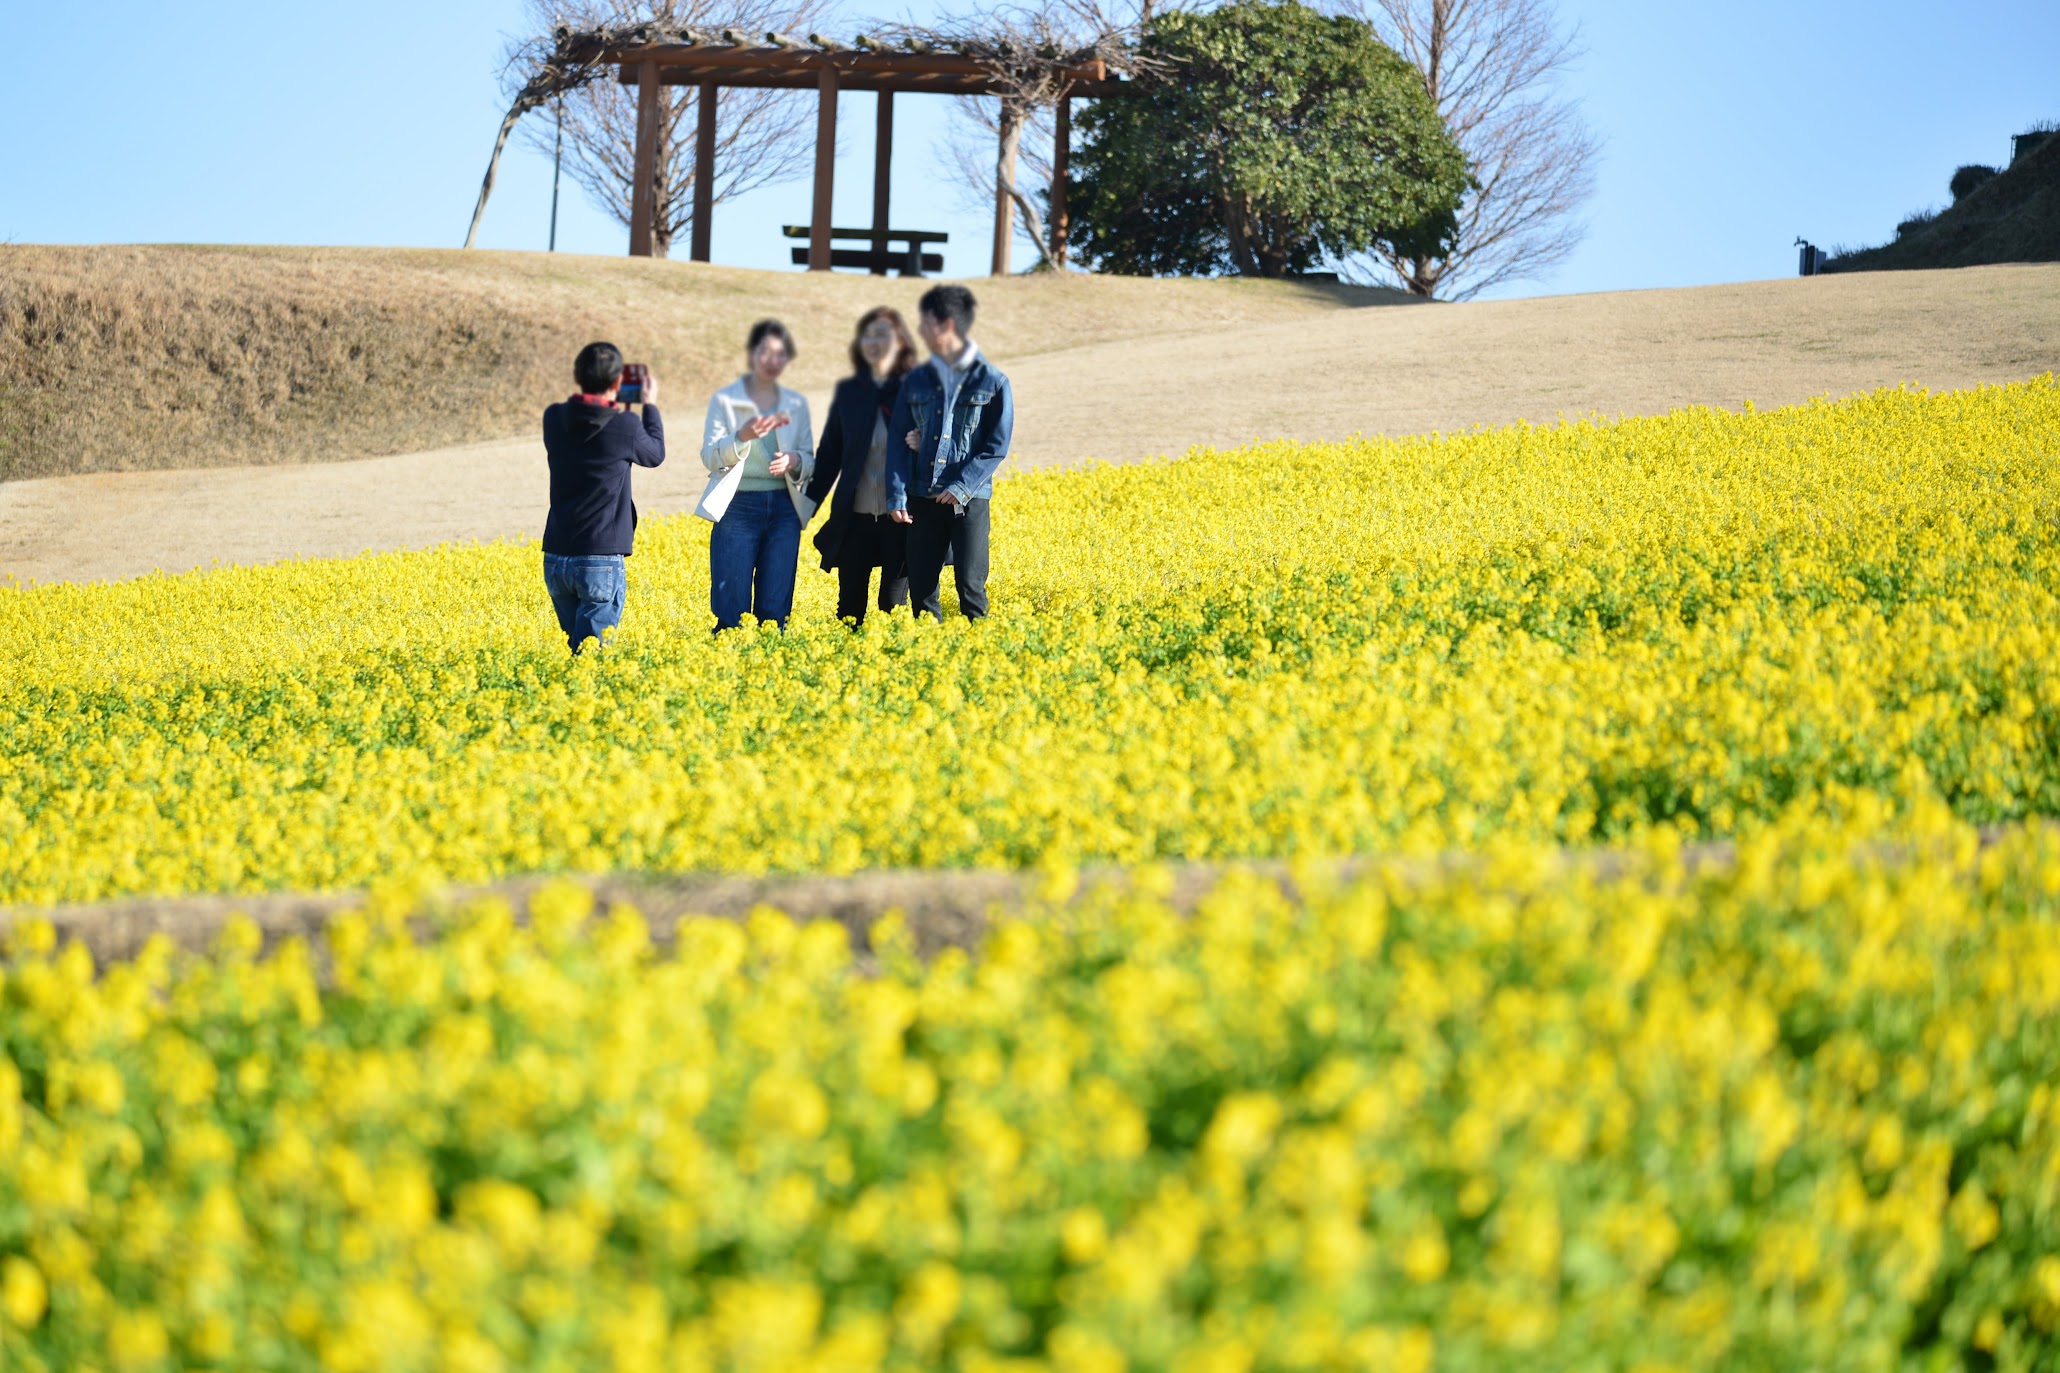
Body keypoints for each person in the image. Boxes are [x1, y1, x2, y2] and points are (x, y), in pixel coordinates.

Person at [886, 285, 1013, 621]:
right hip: (922, 498)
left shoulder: (993, 382)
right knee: (923, 589)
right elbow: (898, 442)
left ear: (947, 326)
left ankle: (980, 659)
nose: (921, 332)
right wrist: (896, 496)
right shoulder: (915, 381)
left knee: (971, 587)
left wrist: (960, 486)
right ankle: (930, 658)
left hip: (969, 500)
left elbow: (996, 447)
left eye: (925, 324)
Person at [541, 341, 665, 653]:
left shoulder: (553, 418)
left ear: (577, 375)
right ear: (618, 382)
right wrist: (649, 405)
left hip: (557, 555)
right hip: (600, 557)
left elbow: (592, 427)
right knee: (591, 657)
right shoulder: (626, 425)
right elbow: (654, 455)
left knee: (577, 652)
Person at [806, 306, 922, 624]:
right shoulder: (849, 392)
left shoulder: (916, 389)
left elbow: (938, 445)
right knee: (849, 609)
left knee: (892, 609)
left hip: (901, 518)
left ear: (900, 341)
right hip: (855, 518)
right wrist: (804, 509)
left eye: (882, 334)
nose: (873, 342)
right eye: (867, 335)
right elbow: (830, 455)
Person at [701, 320, 815, 630]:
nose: (772, 360)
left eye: (780, 354)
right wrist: (741, 437)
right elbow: (709, 457)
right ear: (752, 354)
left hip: (784, 508)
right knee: (731, 609)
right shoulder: (725, 400)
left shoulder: (795, 403)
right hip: (737, 506)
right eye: (765, 352)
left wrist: (793, 459)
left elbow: (809, 460)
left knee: (775, 610)